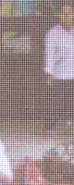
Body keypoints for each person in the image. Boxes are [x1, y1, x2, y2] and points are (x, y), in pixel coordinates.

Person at [44, 1, 74, 130]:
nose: (64, 16)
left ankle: (70, 121)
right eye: (62, 14)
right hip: (59, 74)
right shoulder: (53, 33)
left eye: (67, 14)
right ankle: (50, 126)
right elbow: (49, 55)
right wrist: (49, 74)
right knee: (55, 102)